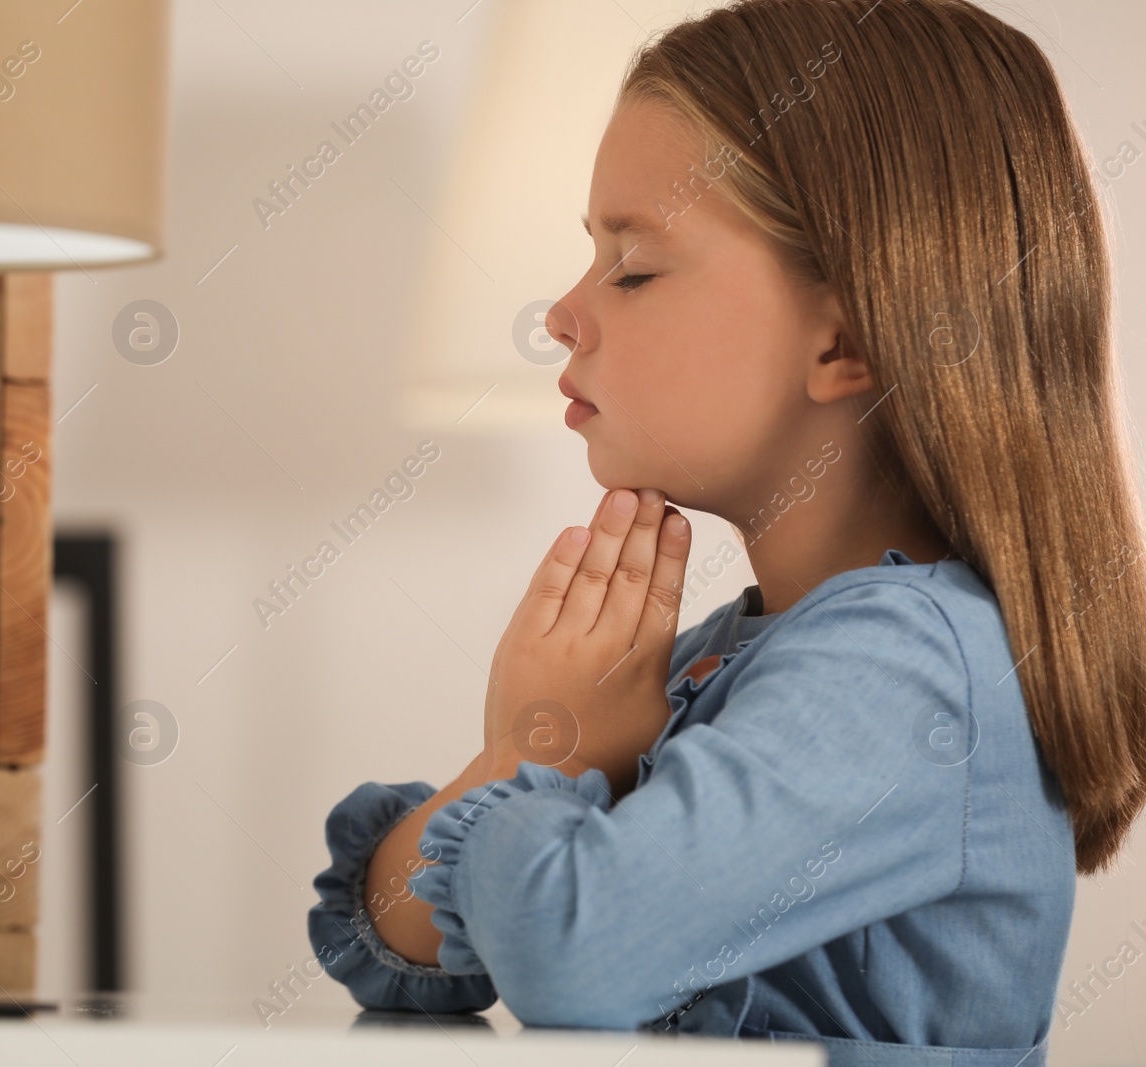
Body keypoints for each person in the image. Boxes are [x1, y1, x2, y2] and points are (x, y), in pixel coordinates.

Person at [306, 1, 1146, 1063]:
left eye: (633, 267)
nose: (562, 311)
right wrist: (537, 757)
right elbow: (390, 950)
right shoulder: (727, 653)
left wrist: (536, 754)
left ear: (843, 337)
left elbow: (578, 953)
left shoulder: (910, 672)